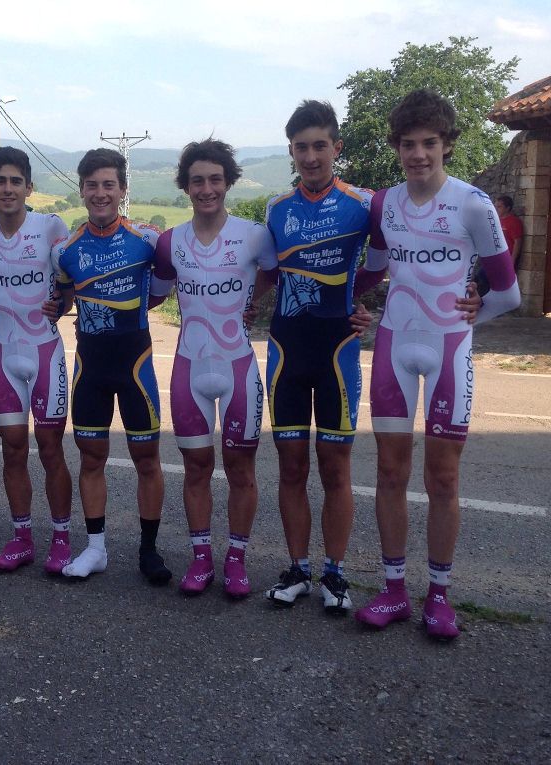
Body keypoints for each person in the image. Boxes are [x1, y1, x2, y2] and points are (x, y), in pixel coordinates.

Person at [353, 89, 520, 639]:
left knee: (443, 476)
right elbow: (373, 270)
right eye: (408, 144)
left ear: (446, 144)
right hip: (394, 346)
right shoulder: (384, 204)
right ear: (397, 147)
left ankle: (440, 596)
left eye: (429, 142)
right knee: (389, 472)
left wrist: (474, 314)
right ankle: (394, 590)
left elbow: (508, 294)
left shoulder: (473, 203)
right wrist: (342, 303)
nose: (418, 154)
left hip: (449, 348)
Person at [251, 101, 373, 613]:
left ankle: (335, 573)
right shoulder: (277, 208)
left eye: (320, 146)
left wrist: (361, 303)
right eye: (301, 147)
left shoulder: (363, 203)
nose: (311, 156)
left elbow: (385, 262)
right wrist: (239, 307)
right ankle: (298, 568)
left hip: (337, 349)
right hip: (286, 349)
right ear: (291, 151)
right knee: (291, 466)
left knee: (336, 467)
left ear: (336, 147)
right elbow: (266, 273)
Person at [150, 139, 278, 598]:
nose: (207, 189)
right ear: (185, 186)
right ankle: (201, 558)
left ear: (228, 182)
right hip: (189, 369)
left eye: (215, 180)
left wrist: (249, 303)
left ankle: (236, 560)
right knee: (196, 468)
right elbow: (154, 293)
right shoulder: (170, 242)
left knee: (241, 469)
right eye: (197, 181)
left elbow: (272, 273)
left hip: (238, 366)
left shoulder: (254, 235)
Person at [50, 148, 171, 584]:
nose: (100, 193)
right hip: (91, 367)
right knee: (91, 458)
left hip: (135, 363)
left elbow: (161, 290)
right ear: (81, 190)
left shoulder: (147, 239)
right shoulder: (65, 250)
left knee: (147, 459)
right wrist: (56, 307)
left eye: (108, 185)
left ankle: (149, 551)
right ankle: (95, 548)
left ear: (122, 190)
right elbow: (64, 298)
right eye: (92, 185)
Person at [0, 146, 73, 574]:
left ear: (29, 187)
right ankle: (21, 538)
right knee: (12, 450)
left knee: (50, 449)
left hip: (44, 352)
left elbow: (71, 280)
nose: (8, 188)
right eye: (0, 181)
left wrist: (63, 304)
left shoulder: (50, 226)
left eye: (16, 181)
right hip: (3, 354)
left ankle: (62, 539)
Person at [494, 195, 523, 268]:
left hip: (506, 259)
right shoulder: (496, 220)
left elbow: (517, 242)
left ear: (507, 208)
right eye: (495, 206)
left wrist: (512, 261)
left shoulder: (514, 221)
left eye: (499, 207)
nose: (496, 209)